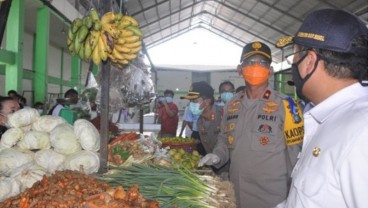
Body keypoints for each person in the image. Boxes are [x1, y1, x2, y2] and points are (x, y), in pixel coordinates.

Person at [274, 9, 368, 208]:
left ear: (309, 61)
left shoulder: (361, 133)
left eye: (295, 55)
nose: (293, 64)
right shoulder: (327, 117)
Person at [199, 41, 304, 207]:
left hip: (272, 198)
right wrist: (218, 155)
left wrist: (295, 196)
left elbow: (296, 157)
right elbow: (224, 140)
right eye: (249, 63)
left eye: (262, 63)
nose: (255, 67)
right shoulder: (231, 105)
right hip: (236, 193)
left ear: (270, 70)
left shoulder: (287, 105)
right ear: (240, 70)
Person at [182, 81, 230, 179]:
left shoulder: (224, 114)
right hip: (217, 170)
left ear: (207, 101)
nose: (191, 105)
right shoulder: (200, 122)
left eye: (194, 101)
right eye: (190, 102)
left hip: (232, 169)